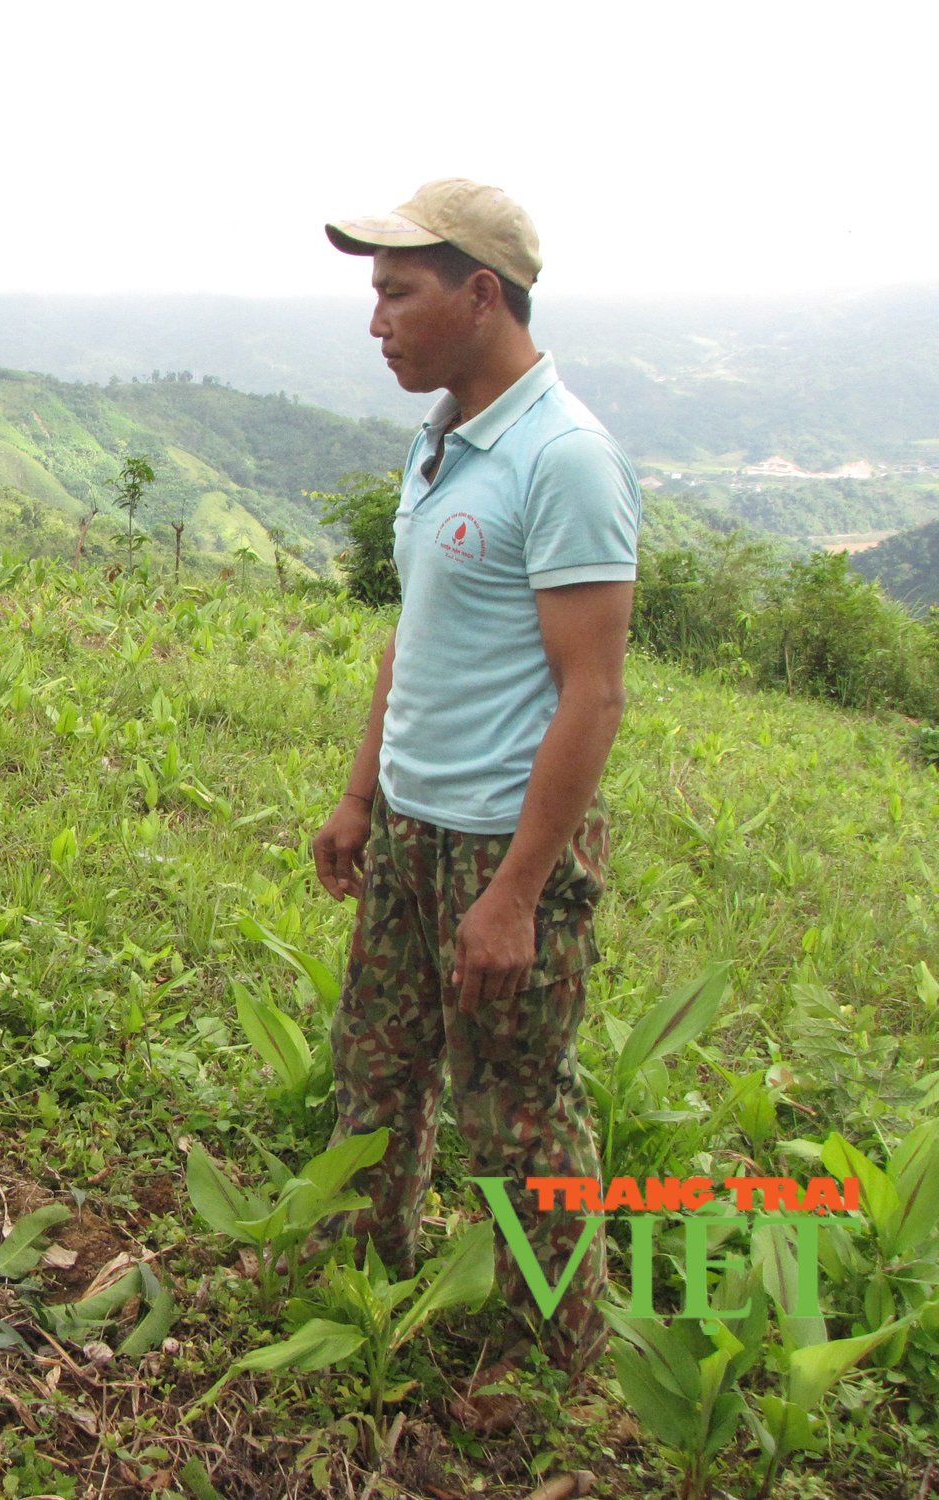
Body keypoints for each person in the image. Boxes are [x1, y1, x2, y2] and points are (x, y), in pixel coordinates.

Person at [308, 180, 640, 1393]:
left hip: (502, 847)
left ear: (479, 294)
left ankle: (560, 1364)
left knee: (513, 1112)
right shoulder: (439, 441)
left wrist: (511, 894)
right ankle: (358, 1285)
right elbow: (416, 637)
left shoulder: (565, 460)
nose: (376, 320)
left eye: (397, 293)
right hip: (405, 826)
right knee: (375, 1069)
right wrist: (358, 796)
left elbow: (590, 697)